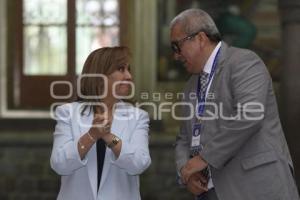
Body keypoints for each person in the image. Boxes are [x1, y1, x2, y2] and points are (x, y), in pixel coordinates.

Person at [170, 9, 299, 200]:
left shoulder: (244, 62)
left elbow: (249, 115)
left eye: (177, 46)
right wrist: (185, 171)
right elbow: (183, 139)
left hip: (255, 187)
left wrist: (204, 158)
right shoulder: (190, 86)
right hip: (210, 192)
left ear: (200, 38)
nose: (176, 56)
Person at [50, 46, 151, 200]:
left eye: (129, 70)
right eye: (121, 69)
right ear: (99, 76)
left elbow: (139, 163)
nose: (129, 76)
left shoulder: (138, 116)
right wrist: (91, 135)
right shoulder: (67, 113)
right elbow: (59, 164)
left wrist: (110, 137)